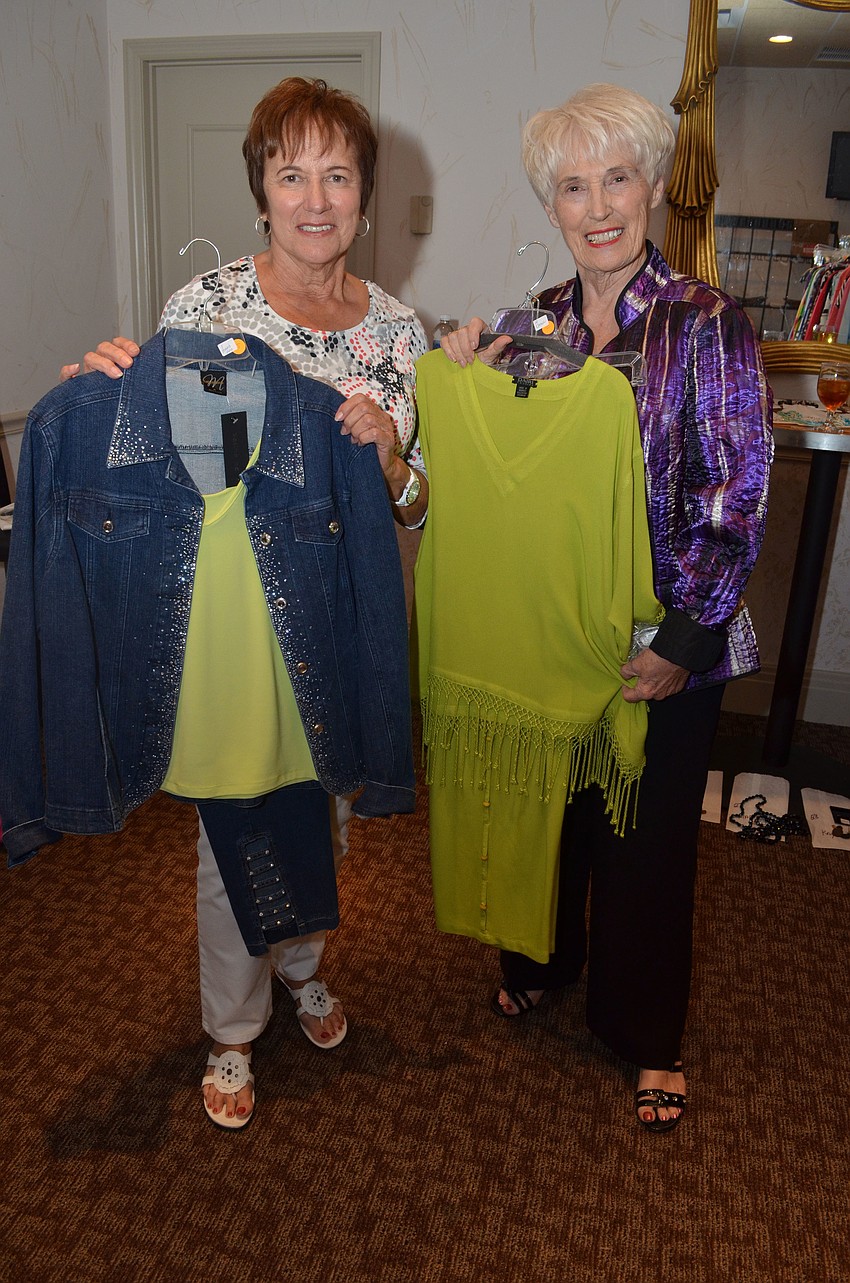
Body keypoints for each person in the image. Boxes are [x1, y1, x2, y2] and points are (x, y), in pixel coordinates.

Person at [61, 77, 429, 1128]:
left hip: (341, 622)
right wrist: (104, 387)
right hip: (230, 626)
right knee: (235, 830)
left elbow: (418, 504)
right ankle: (231, 1027)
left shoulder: (399, 334)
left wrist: (395, 460)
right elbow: (155, 470)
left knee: (328, 814)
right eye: (291, 173)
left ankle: (302, 966)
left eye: (337, 175)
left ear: (363, 193)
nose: (315, 198)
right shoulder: (205, 311)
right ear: (261, 191)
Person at [439, 83, 773, 1132]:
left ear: (653, 187)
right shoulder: (533, 323)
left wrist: (684, 639)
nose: (597, 207)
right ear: (551, 203)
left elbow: (734, 493)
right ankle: (540, 963)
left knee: (645, 839)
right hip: (553, 625)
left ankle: (645, 1034)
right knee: (554, 813)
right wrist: (464, 367)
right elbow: (507, 471)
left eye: (616, 179)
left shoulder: (704, 323)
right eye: (573, 186)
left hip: (662, 631)